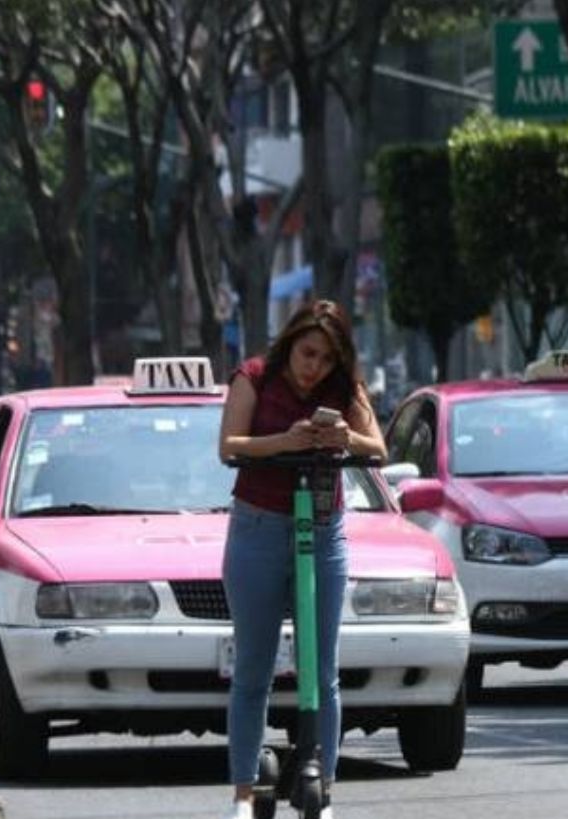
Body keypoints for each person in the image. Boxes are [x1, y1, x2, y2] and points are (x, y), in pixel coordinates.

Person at [217, 300, 387, 819]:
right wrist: (284, 442)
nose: (315, 366)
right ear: (290, 344)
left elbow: (378, 449)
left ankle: (324, 791)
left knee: (323, 670)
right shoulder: (254, 377)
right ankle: (243, 796)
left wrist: (346, 437)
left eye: (327, 358)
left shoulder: (344, 389)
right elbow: (229, 445)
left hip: (323, 529)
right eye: (308, 353)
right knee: (253, 671)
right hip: (258, 528)